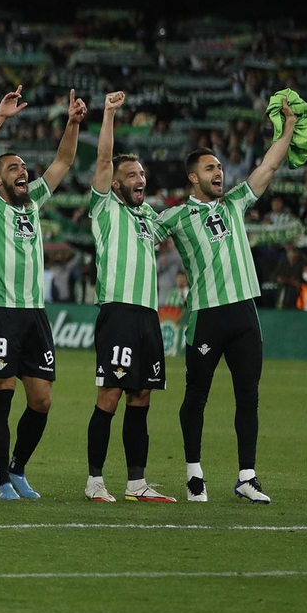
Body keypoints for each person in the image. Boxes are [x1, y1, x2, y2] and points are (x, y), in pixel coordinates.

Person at [159, 106, 298, 503]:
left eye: (219, 167)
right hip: (206, 314)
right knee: (196, 395)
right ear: (193, 178)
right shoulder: (177, 216)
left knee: (248, 396)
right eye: (209, 168)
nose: (218, 173)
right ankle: (193, 474)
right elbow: (140, 232)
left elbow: (269, 166)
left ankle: (247, 477)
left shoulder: (236, 202)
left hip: (244, 314)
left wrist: (287, 127)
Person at [0, 86, 86, 500]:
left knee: (43, 400)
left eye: (24, 167)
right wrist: (0, 117)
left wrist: (71, 123)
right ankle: (0, 479)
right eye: (14, 168)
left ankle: (17, 469)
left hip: (35, 314)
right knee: (1, 397)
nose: (23, 172)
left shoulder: (33, 203)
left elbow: (65, 160)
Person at [84, 92, 174, 503]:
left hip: (148, 316)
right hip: (117, 312)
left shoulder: (148, 217)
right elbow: (103, 161)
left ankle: (137, 483)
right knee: (111, 396)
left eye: (142, 174)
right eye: (132, 175)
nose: (140, 180)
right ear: (116, 183)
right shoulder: (104, 207)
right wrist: (109, 114)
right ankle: (95, 481)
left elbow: (175, 229)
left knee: (142, 396)